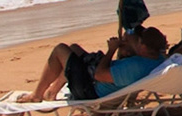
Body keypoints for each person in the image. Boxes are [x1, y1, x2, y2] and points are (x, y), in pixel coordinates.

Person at [23, 26, 169, 102]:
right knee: (74, 49)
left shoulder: (135, 66)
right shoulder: (158, 59)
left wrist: (111, 51)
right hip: (99, 83)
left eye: (138, 40)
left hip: (91, 90)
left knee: (60, 50)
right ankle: (52, 92)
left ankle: (36, 95)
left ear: (143, 47)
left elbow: (100, 75)